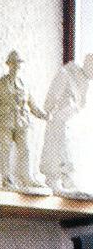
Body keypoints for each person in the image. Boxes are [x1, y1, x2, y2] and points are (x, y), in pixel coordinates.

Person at [0, 49, 47, 194]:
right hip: (5, 121)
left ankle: (27, 177)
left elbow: (31, 104)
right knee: (6, 148)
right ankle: (6, 178)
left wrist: (42, 114)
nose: (16, 66)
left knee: (26, 148)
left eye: (19, 63)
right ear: (9, 64)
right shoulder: (1, 83)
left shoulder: (24, 84)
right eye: (14, 63)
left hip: (21, 121)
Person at [40, 52, 93, 197]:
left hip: (71, 123)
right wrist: (48, 112)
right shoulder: (67, 73)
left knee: (68, 151)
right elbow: (52, 97)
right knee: (57, 149)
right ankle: (54, 180)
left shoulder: (85, 81)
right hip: (59, 121)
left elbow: (81, 105)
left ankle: (67, 178)